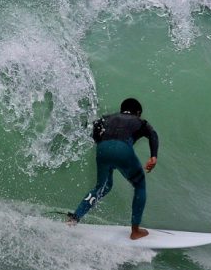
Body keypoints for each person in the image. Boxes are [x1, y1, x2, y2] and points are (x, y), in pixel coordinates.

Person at [67, 98, 159, 240]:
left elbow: (94, 136)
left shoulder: (105, 119)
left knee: (103, 186)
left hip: (102, 150)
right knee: (139, 185)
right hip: (122, 149)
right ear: (138, 112)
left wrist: (110, 153)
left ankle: (74, 218)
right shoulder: (139, 121)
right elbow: (153, 134)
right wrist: (153, 156)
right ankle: (135, 231)